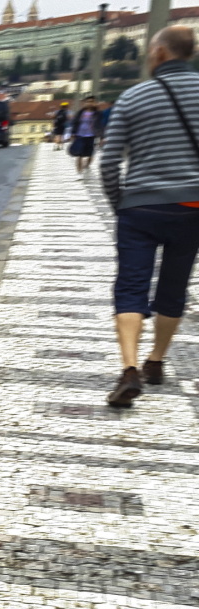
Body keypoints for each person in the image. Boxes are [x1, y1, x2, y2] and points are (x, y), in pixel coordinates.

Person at [99, 25, 199, 407]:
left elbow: (109, 161)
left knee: (130, 286)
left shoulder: (133, 96)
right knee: (174, 286)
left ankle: (129, 370)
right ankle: (156, 361)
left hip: (140, 207)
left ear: (159, 53)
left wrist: (119, 202)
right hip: (192, 208)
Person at [69, 95, 105, 172]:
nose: (90, 103)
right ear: (85, 103)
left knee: (90, 153)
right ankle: (79, 171)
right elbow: (75, 122)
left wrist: (102, 137)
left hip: (91, 135)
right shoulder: (80, 113)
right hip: (80, 135)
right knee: (79, 154)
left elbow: (101, 125)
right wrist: (72, 133)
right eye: (88, 102)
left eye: (92, 102)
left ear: (95, 103)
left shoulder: (98, 113)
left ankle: (87, 166)